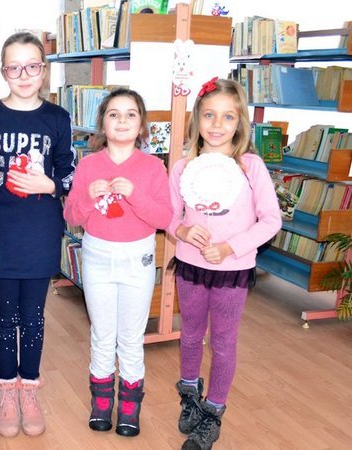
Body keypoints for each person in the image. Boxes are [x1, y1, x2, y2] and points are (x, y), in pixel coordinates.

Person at [0, 31, 76, 437]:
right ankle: (6, 393)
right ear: (3, 71)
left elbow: (68, 171)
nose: (24, 75)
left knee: (32, 317)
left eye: (32, 66)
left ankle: (29, 390)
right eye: (15, 68)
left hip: (39, 231)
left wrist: (51, 185)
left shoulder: (57, 118)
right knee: (3, 317)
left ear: (43, 71)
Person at [167, 78, 281, 450]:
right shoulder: (183, 167)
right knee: (190, 335)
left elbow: (271, 220)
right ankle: (189, 395)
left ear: (239, 122)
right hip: (191, 266)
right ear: (197, 119)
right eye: (209, 115)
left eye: (227, 117)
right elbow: (169, 216)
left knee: (223, 342)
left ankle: (213, 413)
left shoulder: (251, 166)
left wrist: (231, 247)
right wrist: (182, 231)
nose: (217, 125)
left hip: (233, 271)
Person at [63, 88, 173, 437]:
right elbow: (71, 215)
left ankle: (129, 406)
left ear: (141, 125)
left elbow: (165, 217)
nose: (122, 121)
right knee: (102, 333)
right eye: (114, 114)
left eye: (130, 114)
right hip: (97, 256)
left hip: (137, 258)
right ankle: (101, 401)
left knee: (130, 336)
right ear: (103, 123)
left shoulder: (153, 167)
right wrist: (88, 197)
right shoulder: (89, 165)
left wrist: (134, 195)